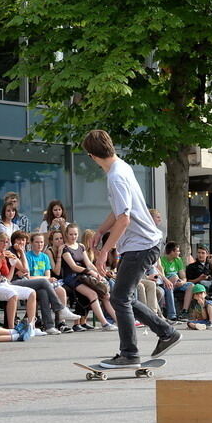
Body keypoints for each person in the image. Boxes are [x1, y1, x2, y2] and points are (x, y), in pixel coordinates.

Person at [80, 130, 181, 367]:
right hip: (145, 244)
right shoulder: (122, 166)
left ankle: (129, 353)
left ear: (92, 156)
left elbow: (124, 219)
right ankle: (166, 332)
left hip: (141, 246)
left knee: (120, 299)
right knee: (122, 297)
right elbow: (119, 210)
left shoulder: (114, 177)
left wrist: (104, 251)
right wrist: (102, 230)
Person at [11, 231, 80, 335]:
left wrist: (45, 279)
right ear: (32, 243)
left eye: (42, 242)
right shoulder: (27, 255)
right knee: (44, 284)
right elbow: (29, 276)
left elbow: (48, 275)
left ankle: (55, 324)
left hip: (43, 285)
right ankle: (60, 310)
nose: (40, 245)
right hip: (31, 283)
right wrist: (44, 279)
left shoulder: (45, 257)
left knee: (52, 291)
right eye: (37, 242)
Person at [61, 223, 116, 329]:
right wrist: (90, 272)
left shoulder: (81, 246)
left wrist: (99, 273)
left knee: (105, 295)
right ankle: (104, 323)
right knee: (93, 294)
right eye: (71, 234)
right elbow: (73, 266)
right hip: (72, 277)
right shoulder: (65, 249)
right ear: (67, 235)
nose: (73, 237)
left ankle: (119, 321)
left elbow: (89, 263)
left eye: (75, 234)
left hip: (84, 276)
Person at [159, 242, 187, 320]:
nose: (179, 253)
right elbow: (162, 277)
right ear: (172, 252)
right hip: (167, 283)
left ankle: (185, 312)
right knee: (171, 284)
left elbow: (183, 277)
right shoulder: (162, 260)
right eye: (177, 251)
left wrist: (183, 282)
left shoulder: (178, 260)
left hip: (178, 283)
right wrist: (173, 279)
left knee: (191, 286)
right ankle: (172, 315)